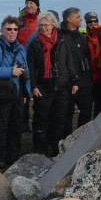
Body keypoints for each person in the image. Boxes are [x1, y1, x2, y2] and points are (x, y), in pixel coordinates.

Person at [27, 11, 80, 157]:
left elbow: (69, 61)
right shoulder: (35, 43)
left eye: (46, 25)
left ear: (53, 25)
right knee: (41, 119)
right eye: (41, 25)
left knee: (59, 118)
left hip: (62, 85)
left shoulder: (62, 41)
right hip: (43, 86)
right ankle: (40, 150)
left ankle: (56, 148)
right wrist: (33, 86)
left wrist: (74, 81)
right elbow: (30, 67)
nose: (43, 28)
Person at [0, 15, 29, 169]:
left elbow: (25, 72)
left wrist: (26, 94)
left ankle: (13, 155)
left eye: (15, 29)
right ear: (2, 30)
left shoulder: (21, 48)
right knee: (0, 127)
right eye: (9, 29)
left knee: (16, 126)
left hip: (16, 92)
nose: (12, 32)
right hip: (1, 94)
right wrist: (11, 71)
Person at [59, 6, 94, 132]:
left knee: (86, 111)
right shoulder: (60, 37)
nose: (81, 20)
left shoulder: (81, 36)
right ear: (69, 19)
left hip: (84, 81)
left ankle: (82, 139)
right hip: (68, 83)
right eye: (78, 17)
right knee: (66, 114)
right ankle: (66, 141)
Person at [84, 11, 101, 118]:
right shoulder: (83, 36)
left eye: (95, 21)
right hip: (89, 75)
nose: (93, 23)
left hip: (100, 74)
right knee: (87, 105)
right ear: (86, 23)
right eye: (90, 21)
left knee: (99, 104)